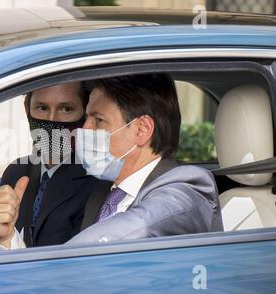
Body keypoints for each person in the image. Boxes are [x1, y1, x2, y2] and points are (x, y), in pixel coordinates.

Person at [68, 74, 223, 245]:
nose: (84, 129)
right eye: (86, 118)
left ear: (142, 129)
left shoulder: (186, 188)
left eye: (98, 120)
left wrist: (58, 263)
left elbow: (140, 226)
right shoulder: (102, 193)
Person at [0, 82, 100, 250]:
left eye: (66, 109)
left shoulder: (96, 181)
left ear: (86, 114)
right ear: (27, 110)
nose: (51, 120)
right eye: (42, 108)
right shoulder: (17, 172)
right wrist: (2, 238)